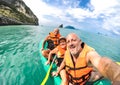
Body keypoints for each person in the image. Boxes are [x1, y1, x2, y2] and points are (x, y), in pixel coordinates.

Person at [53, 33, 120, 85]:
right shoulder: (67, 53)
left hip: (87, 79)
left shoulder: (88, 53)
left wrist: (116, 76)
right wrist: (57, 72)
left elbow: (102, 62)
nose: (71, 43)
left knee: (101, 73)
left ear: (80, 42)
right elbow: (64, 62)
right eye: (68, 41)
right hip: (73, 81)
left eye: (73, 40)